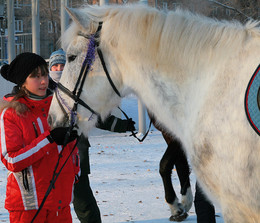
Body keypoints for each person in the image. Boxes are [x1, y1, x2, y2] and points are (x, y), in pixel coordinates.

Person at [49, 49, 136, 223]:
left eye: (62, 66)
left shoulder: (79, 91)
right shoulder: (43, 90)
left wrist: (122, 126)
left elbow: (95, 116)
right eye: (55, 66)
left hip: (76, 154)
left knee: (84, 202)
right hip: (49, 156)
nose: (58, 69)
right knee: (52, 203)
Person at [0, 52, 80, 223]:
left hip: (61, 205)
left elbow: (72, 151)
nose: (44, 81)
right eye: (35, 76)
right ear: (23, 82)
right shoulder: (11, 114)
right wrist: (49, 139)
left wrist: (76, 172)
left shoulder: (60, 109)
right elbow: (12, 161)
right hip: (29, 208)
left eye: (44, 74)